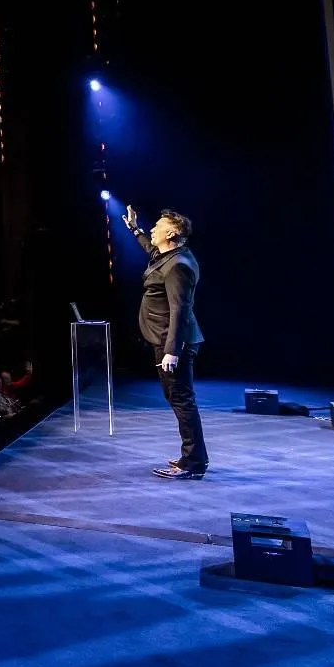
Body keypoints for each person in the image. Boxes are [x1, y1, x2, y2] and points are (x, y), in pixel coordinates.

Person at [124, 205, 207, 479]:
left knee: (182, 399)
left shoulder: (178, 266)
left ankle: (193, 463)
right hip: (165, 339)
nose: (152, 229)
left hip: (172, 342)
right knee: (177, 397)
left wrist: (173, 350)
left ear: (171, 232)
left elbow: (179, 310)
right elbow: (151, 248)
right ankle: (193, 457)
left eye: (157, 226)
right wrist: (134, 229)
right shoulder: (170, 256)